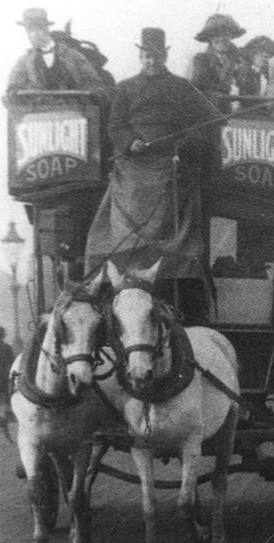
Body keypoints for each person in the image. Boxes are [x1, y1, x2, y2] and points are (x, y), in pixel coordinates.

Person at [84, 28, 218, 326]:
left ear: (165, 56)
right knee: (123, 199)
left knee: (175, 191)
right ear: (140, 56)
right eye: (147, 56)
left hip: (171, 164)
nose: (152, 61)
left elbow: (205, 122)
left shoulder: (182, 87)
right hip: (133, 165)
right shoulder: (126, 88)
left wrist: (182, 145)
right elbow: (115, 126)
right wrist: (130, 142)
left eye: (157, 56)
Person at [6, 8, 104, 94]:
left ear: (44, 29)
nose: (28, 36)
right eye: (27, 31)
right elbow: (13, 86)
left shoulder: (73, 55)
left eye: (31, 30)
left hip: (73, 109)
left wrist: (85, 93)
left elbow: (94, 83)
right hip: (36, 111)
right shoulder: (25, 61)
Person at [190, 13, 246, 111]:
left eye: (225, 34)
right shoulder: (201, 60)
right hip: (209, 114)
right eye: (216, 35)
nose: (221, 38)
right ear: (209, 38)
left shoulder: (241, 60)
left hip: (239, 116)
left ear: (231, 36)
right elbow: (201, 85)